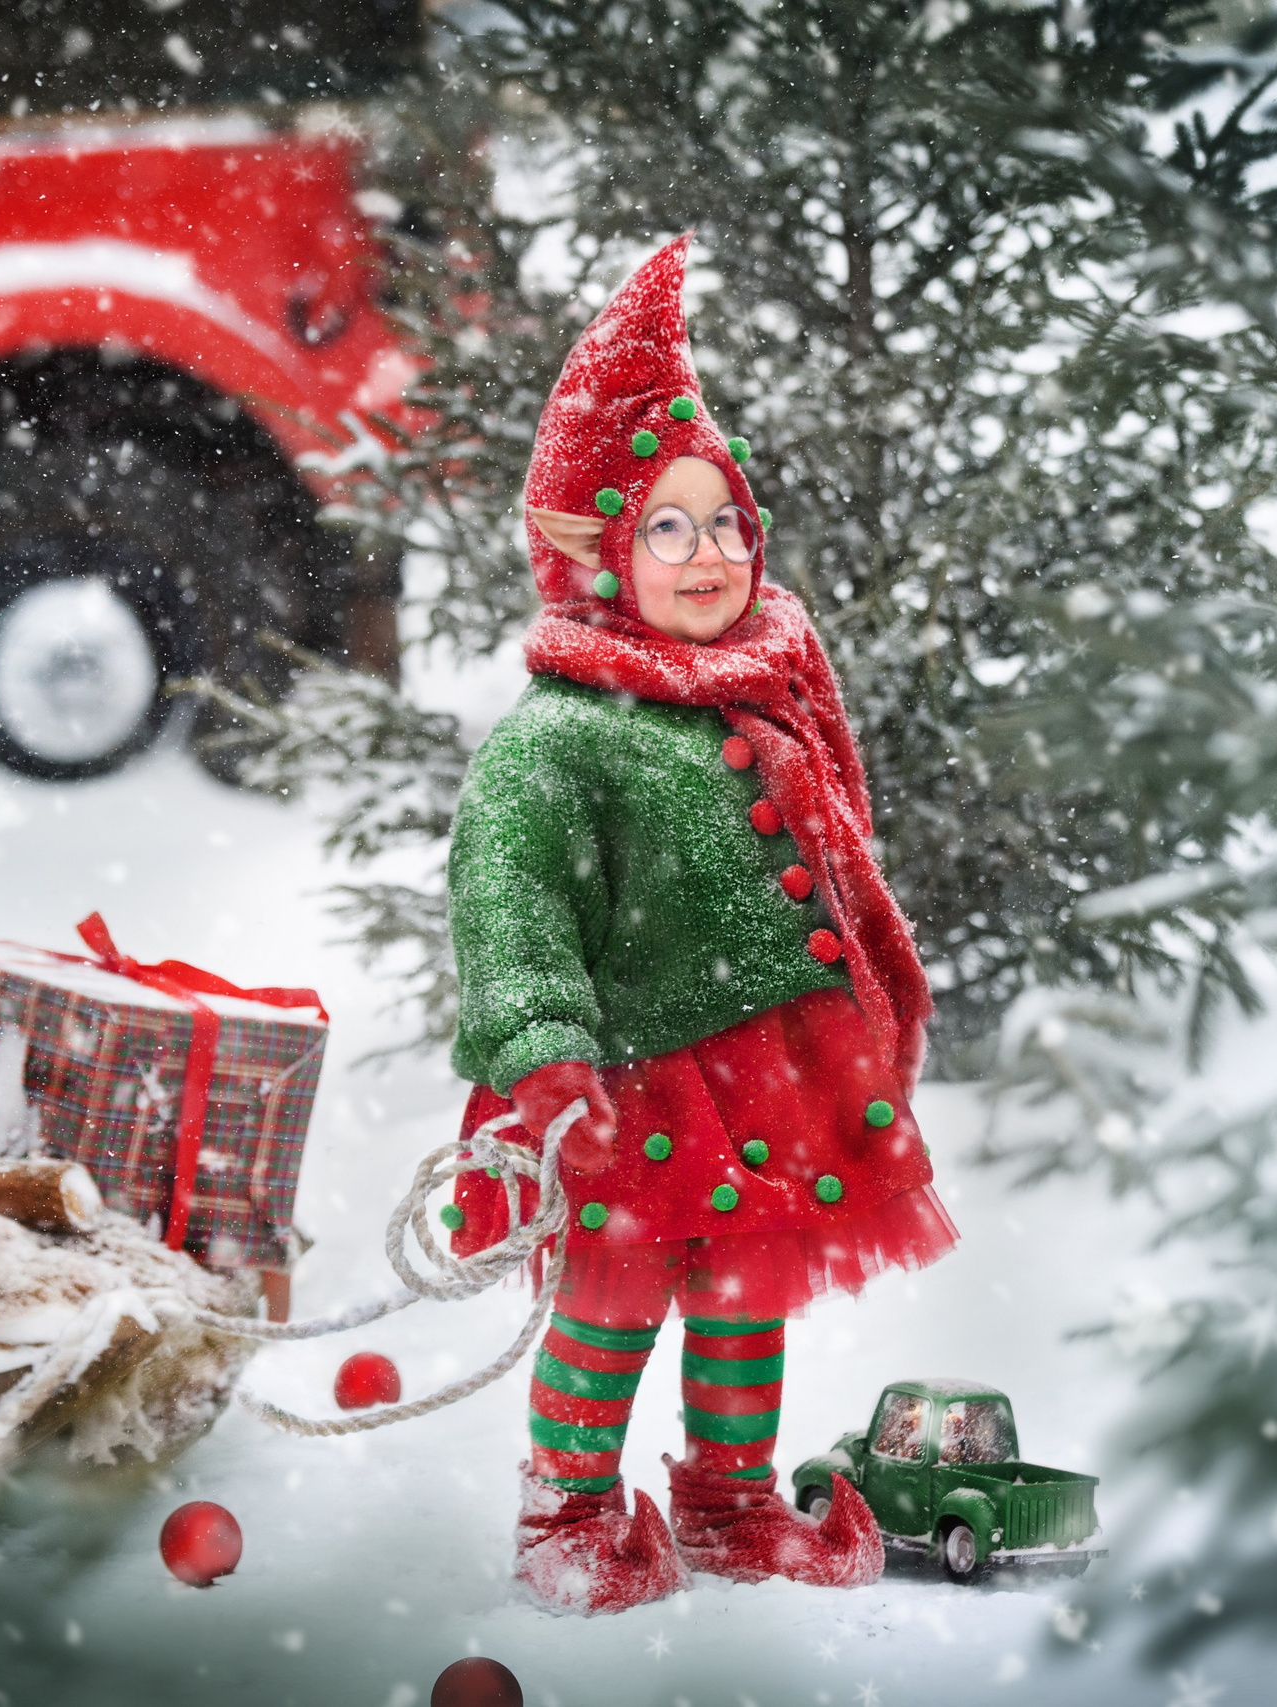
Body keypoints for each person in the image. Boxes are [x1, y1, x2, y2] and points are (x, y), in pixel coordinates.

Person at [444, 235, 956, 1615]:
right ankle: (568, 1508)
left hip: (765, 1069)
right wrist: (542, 1045)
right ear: (595, 553)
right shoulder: (557, 739)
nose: (709, 552)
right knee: (614, 1296)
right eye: (666, 527)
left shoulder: (762, 683)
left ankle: (727, 1501)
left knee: (746, 1292)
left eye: (723, 521)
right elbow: (511, 899)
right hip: (628, 1080)